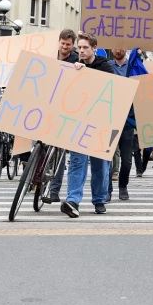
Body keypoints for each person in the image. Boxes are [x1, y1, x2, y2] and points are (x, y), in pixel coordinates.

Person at [60, 33, 115, 218]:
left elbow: (110, 89)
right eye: (79, 48)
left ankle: (99, 199)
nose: (81, 51)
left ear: (94, 48)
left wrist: (86, 72)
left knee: (100, 164)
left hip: (101, 123)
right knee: (77, 162)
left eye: (85, 47)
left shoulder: (105, 66)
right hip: (79, 122)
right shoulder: (73, 66)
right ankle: (73, 200)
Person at [40, 29, 89, 205]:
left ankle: (54, 190)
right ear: (59, 42)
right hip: (47, 105)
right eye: (63, 43)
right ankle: (37, 178)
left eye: (69, 44)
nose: (65, 47)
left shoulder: (77, 60)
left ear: (72, 45)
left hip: (67, 110)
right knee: (41, 147)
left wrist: (80, 67)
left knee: (59, 151)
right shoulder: (49, 56)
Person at [108, 47, 148, 201]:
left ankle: (123, 185)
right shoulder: (107, 66)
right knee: (107, 158)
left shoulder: (133, 67)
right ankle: (108, 189)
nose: (118, 49)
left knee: (126, 160)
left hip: (128, 120)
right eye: (115, 46)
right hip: (110, 119)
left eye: (121, 46)